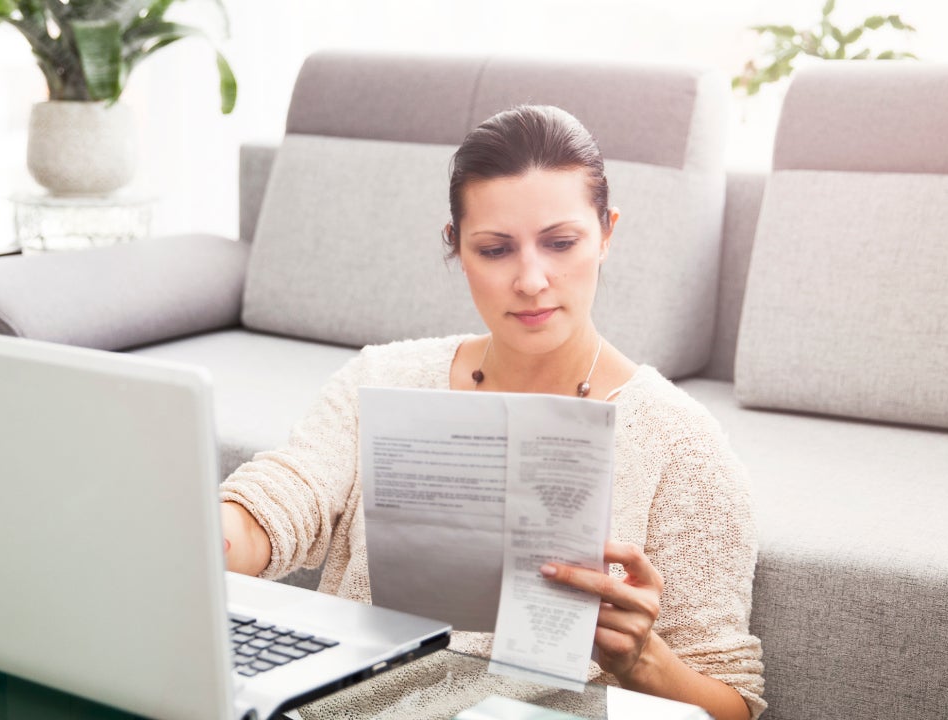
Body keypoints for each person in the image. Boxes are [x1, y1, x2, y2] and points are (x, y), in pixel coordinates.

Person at [218, 105, 765, 720]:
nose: (531, 280)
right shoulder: (384, 377)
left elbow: (734, 706)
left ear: (607, 233)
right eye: (495, 249)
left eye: (561, 243)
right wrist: (209, 536)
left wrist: (642, 660)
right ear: (456, 246)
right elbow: (286, 498)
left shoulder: (682, 443)